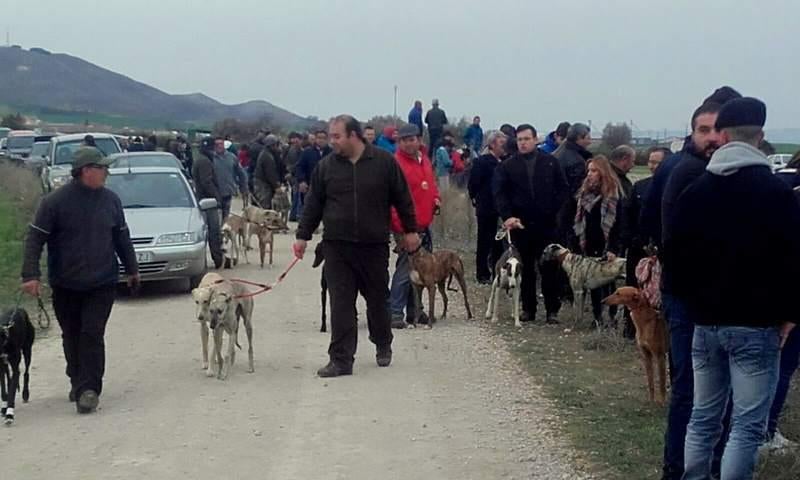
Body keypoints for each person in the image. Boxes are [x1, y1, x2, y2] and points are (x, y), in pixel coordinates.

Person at [666, 97, 800, 480]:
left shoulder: (696, 192)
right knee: (745, 425)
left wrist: (694, 302)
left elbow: (674, 262)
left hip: (705, 323)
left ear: (722, 136)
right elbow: (794, 259)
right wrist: (791, 313)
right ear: (760, 138)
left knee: (703, 416)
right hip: (757, 326)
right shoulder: (777, 194)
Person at [639, 87, 743, 480]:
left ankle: (683, 466)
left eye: (718, 130)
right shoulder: (694, 173)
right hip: (690, 295)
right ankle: (688, 468)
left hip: (683, 290)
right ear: (693, 131)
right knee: (694, 389)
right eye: (705, 130)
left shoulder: (673, 166)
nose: (712, 138)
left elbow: (647, 219)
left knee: (693, 387)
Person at [293, 115, 419, 378]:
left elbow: (402, 198)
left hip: (373, 246)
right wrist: (302, 236)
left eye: (336, 136)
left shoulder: (383, 163)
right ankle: (341, 360)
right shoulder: (326, 167)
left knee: (377, 302)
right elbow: (313, 203)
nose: (332, 141)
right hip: (337, 247)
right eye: (330, 136)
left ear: (353, 135)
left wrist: (410, 230)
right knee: (340, 303)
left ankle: (383, 342)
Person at [21, 147, 139, 414]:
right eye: (102, 168)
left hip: (102, 281)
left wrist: (132, 269)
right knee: (71, 334)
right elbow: (35, 238)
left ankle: (89, 389)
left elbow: (122, 237)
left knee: (92, 333)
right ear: (86, 170)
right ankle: (76, 378)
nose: (107, 173)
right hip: (66, 283)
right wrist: (30, 275)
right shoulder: (54, 202)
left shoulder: (111, 200)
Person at [493, 124, 568, 324]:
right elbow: (500, 194)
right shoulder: (508, 166)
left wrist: (555, 212)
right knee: (523, 268)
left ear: (535, 139)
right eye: (520, 140)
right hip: (520, 225)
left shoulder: (550, 162)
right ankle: (528, 309)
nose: (523, 143)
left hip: (547, 225)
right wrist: (507, 216)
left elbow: (563, 190)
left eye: (527, 139)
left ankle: (552, 310)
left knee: (550, 268)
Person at [388, 124, 440, 329]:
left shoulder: (424, 159)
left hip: (424, 223)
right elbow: (391, 198)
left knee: (423, 270)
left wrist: (436, 198)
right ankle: (394, 312)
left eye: (413, 139)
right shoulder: (396, 164)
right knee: (405, 270)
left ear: (419, 140)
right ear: (399, 142)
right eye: (405, 140)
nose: (410, 143)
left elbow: (431, 184)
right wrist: (401, 228)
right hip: (405, 225)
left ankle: (415, 311)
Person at [573, 155, 625, 325]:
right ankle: (597, 317)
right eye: (589, 170)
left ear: (603, 172)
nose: (590, 174)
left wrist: (613, 248)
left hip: (607, 244)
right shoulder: (584, 193)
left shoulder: (613, 195)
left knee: (608, 282)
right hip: (588, 242)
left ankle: (611, 316)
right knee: (593, 282)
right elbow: (578, 219)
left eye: (594, 170)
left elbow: (618, 224)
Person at [468, 130, 507, 284]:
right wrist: (476, 199)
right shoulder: (482, 162)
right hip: (486, 207)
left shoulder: (504, 162)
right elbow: (473, 184)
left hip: (501, 209)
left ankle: (497, 272)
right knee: (484, 241)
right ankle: (482, 273)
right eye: (501, 144)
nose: (504, 147)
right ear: (492, 145)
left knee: (498, 243)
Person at [553, 123, 593, 250]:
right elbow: (577, 190)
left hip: (555, 208)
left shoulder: (556, 154)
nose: (590, 141)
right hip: (569, 211)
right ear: (580, 138)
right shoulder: (577, 161)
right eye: (588, 137)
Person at [192, 137, 224, 269]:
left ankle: (216, 258)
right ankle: (218, 260)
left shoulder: (200, 159)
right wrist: (217, 198)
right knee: (213, 231)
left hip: (202, 199)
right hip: (208, 201)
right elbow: (207, 182)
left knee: (211, 232)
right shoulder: (205, 161)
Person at [212, 137, 248, 220]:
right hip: (214, 192)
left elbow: (241, 173)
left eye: (221, 144)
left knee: (226, 215)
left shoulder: (232, 157)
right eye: (217, 144)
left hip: (227, 191)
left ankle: (224, 230)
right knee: (215, 216)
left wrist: (244, 187)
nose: (219, 146)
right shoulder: (211, 158)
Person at [253, 134, 282, 209]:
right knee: (265, 207)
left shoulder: (265, 153)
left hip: (261, 182)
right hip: (263, 184)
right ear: (272, 145)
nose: (277, 147)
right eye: (276, 145)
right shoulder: (267, 157)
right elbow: (270, 174)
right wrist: (276, 186)